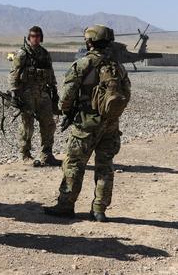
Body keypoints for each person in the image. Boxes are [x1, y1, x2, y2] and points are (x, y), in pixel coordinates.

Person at [44, 25, 130, 222]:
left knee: (74, 164)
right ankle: (99, 210)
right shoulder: (118, 67)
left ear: (89, 42)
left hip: (85, 124)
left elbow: (66, 98)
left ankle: (65, 206)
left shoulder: (83, 64)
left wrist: (67, 111)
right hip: (110, 125)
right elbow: (126, 95)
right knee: (105, 166)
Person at [8, 26, 62, 166]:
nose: (35, 38)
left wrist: (54, 92)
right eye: (32, 35)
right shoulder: (22, 53)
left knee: (48, 124)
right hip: (26, 94)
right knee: (27, 125)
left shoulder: (44, 53)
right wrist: (14, 93)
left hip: (43, 94)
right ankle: (25, 155)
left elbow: (50, 73)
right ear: (29, 37)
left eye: (38, 35)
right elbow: (14, 73)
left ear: (41, 37)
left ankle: (47, 154)